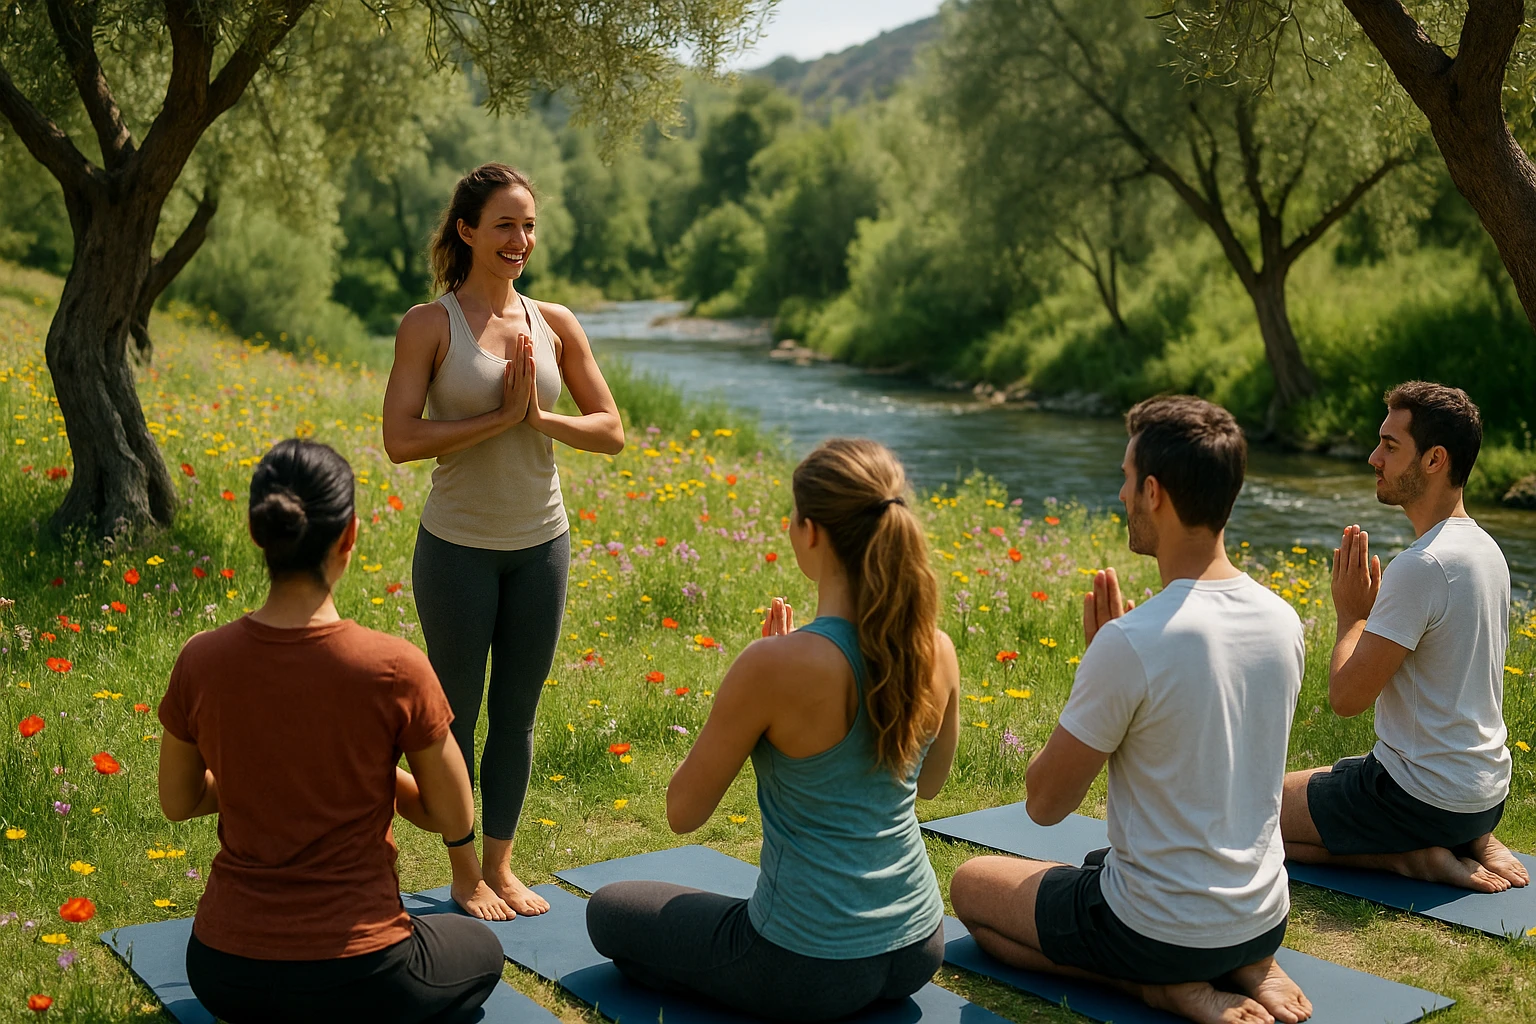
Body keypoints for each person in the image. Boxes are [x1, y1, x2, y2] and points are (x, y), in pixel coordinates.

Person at [951, 396, 1314, 1024]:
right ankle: (1245, 963)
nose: (1119, 493)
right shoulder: (1283, 619)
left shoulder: (1131, 643)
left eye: (1125, 478)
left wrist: (1099, 668)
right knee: (1097, 866)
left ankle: (1156, 987)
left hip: (1156, 933)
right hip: (1263, 919)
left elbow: (1044, 805)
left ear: (1153, 492)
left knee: (972, 886)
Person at [584, 438, 962, 1021]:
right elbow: (931, 783)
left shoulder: (773, 665)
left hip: (804, 967)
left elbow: (683, 811)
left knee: (610, 910)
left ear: (810, 531)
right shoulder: (934, 648)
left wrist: (759, 687)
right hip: (917, 944)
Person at [157, 439, 504, 1024]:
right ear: (350, 535)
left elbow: (178, 800)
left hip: (223, 973)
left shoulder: (200, 659)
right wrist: (368, 775)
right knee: (483, 951)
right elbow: (454, 817)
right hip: (362, 977)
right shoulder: (393, 667)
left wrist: (268, 774)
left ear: (256, 530)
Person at [382, 163, 624, 919]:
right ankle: (460, 873)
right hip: (457, 546)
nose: (520, 240)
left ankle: (501, 866)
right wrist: (495, 418)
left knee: (516, 714)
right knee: (451, 712)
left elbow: (611, 430)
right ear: (466, 230)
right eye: (504, 226)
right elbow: (398, 438)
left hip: (540, 544)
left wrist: (540, 421)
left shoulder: (555, 323)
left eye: (528, 226)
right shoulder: (430, 324)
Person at [1280, 382, 1528, 893]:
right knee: (1319, 782)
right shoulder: (1488, 552)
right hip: (1482, 796)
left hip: (1415, 799)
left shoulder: (1422, 566)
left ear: (1435, 459)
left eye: (1391, 447)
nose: (1374, 457)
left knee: (1246, 816)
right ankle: (1468, 838)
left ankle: (1406, 859)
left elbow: (1347, 699)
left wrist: (1352, 616)